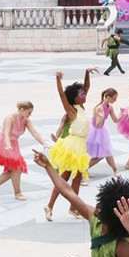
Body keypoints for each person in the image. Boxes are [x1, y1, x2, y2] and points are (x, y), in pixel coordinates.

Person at [46, 68, 96, 221]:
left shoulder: (81, 108)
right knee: (64, 178)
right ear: (75, 98)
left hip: (81, 147)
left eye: (84, 93)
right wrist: (58, 79)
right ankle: (50, 206)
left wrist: (86, 73)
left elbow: (87, 87)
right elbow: (62, 95)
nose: (84, 94)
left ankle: (73, 208)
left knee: (77, 179)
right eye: (81, 94)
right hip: (72, 147)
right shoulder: (71, 110)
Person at [0, 101, 50, 200]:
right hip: (4, 142)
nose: (30, 115)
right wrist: (8, 145)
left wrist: (43, 143)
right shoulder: (10, 118)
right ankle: (17, 193)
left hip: (13, 143)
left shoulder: (26, 120)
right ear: (22, 110)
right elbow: (7, 133)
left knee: (14, 169)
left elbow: (34, 132)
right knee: (17, 167)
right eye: (29, 112)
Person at [87, 89, 123, 177]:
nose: (115, 100)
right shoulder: (99, 108)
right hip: (95, 132)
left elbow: (115, 120)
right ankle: (82, 169)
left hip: (102, 131)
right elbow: (97, 125)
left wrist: (123, 114)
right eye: (114, 98)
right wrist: (101, 117)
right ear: (108, 97)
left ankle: (115, 170)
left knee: (106, 152)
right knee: (102, 154)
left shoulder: (109, 107)